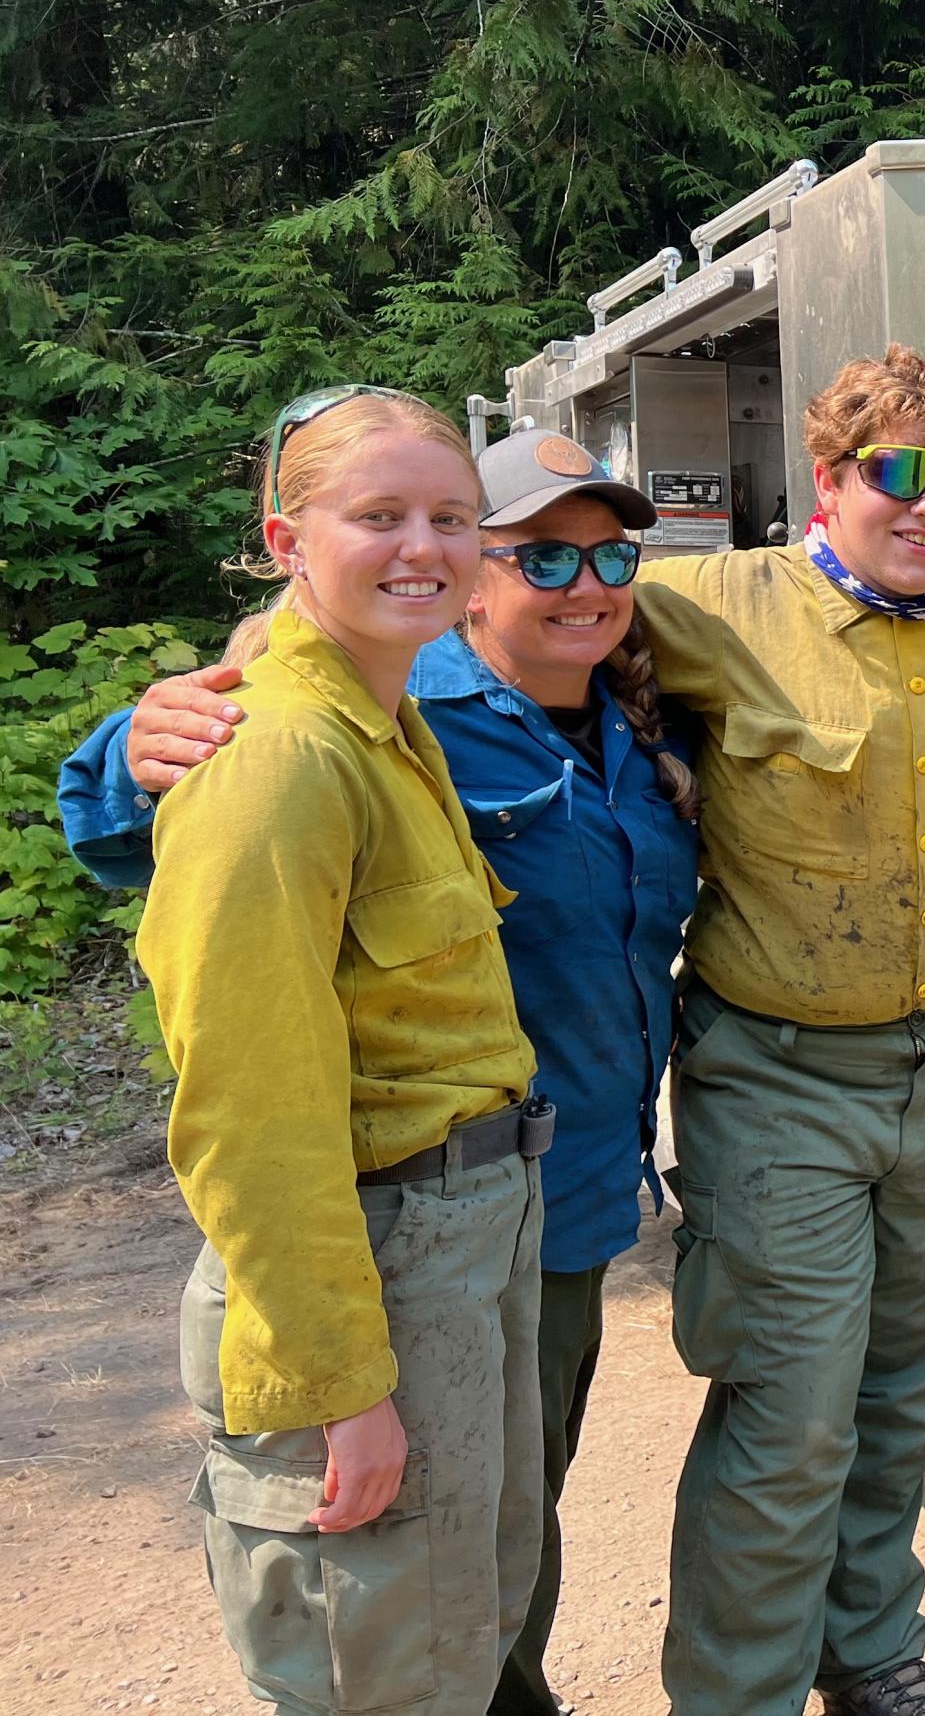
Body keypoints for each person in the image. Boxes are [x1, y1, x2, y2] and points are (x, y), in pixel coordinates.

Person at [110, 345, 925, 1716]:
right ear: (831, 477)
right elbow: (286, 729)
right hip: (755, 1090)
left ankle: (867, 1649)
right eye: (899, 471)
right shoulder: (686, 613)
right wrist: (130, 744)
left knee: (902, 1403)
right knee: (778, 1424)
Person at [64, 428, 705, 1714]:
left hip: (550, 1200)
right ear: (290, 545)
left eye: (611, 553)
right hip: (405, 1226)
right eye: (542, 554)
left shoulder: (610, 722)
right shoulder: (314, 734)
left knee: (495, 1544)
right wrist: (131, 745)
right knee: (400, 1607)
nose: (582, 581)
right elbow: (245, 1075)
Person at [132, 387, 547, 1714]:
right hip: (374, 1263)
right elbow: (249, 1112)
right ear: (283, 534)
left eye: (451, 518)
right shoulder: (278, 758)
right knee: (381, 1669)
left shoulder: (386, 716)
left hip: (457, 1239)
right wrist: (338, 1387)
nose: (422, 544)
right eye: (378, 516)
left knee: (447, 1636)